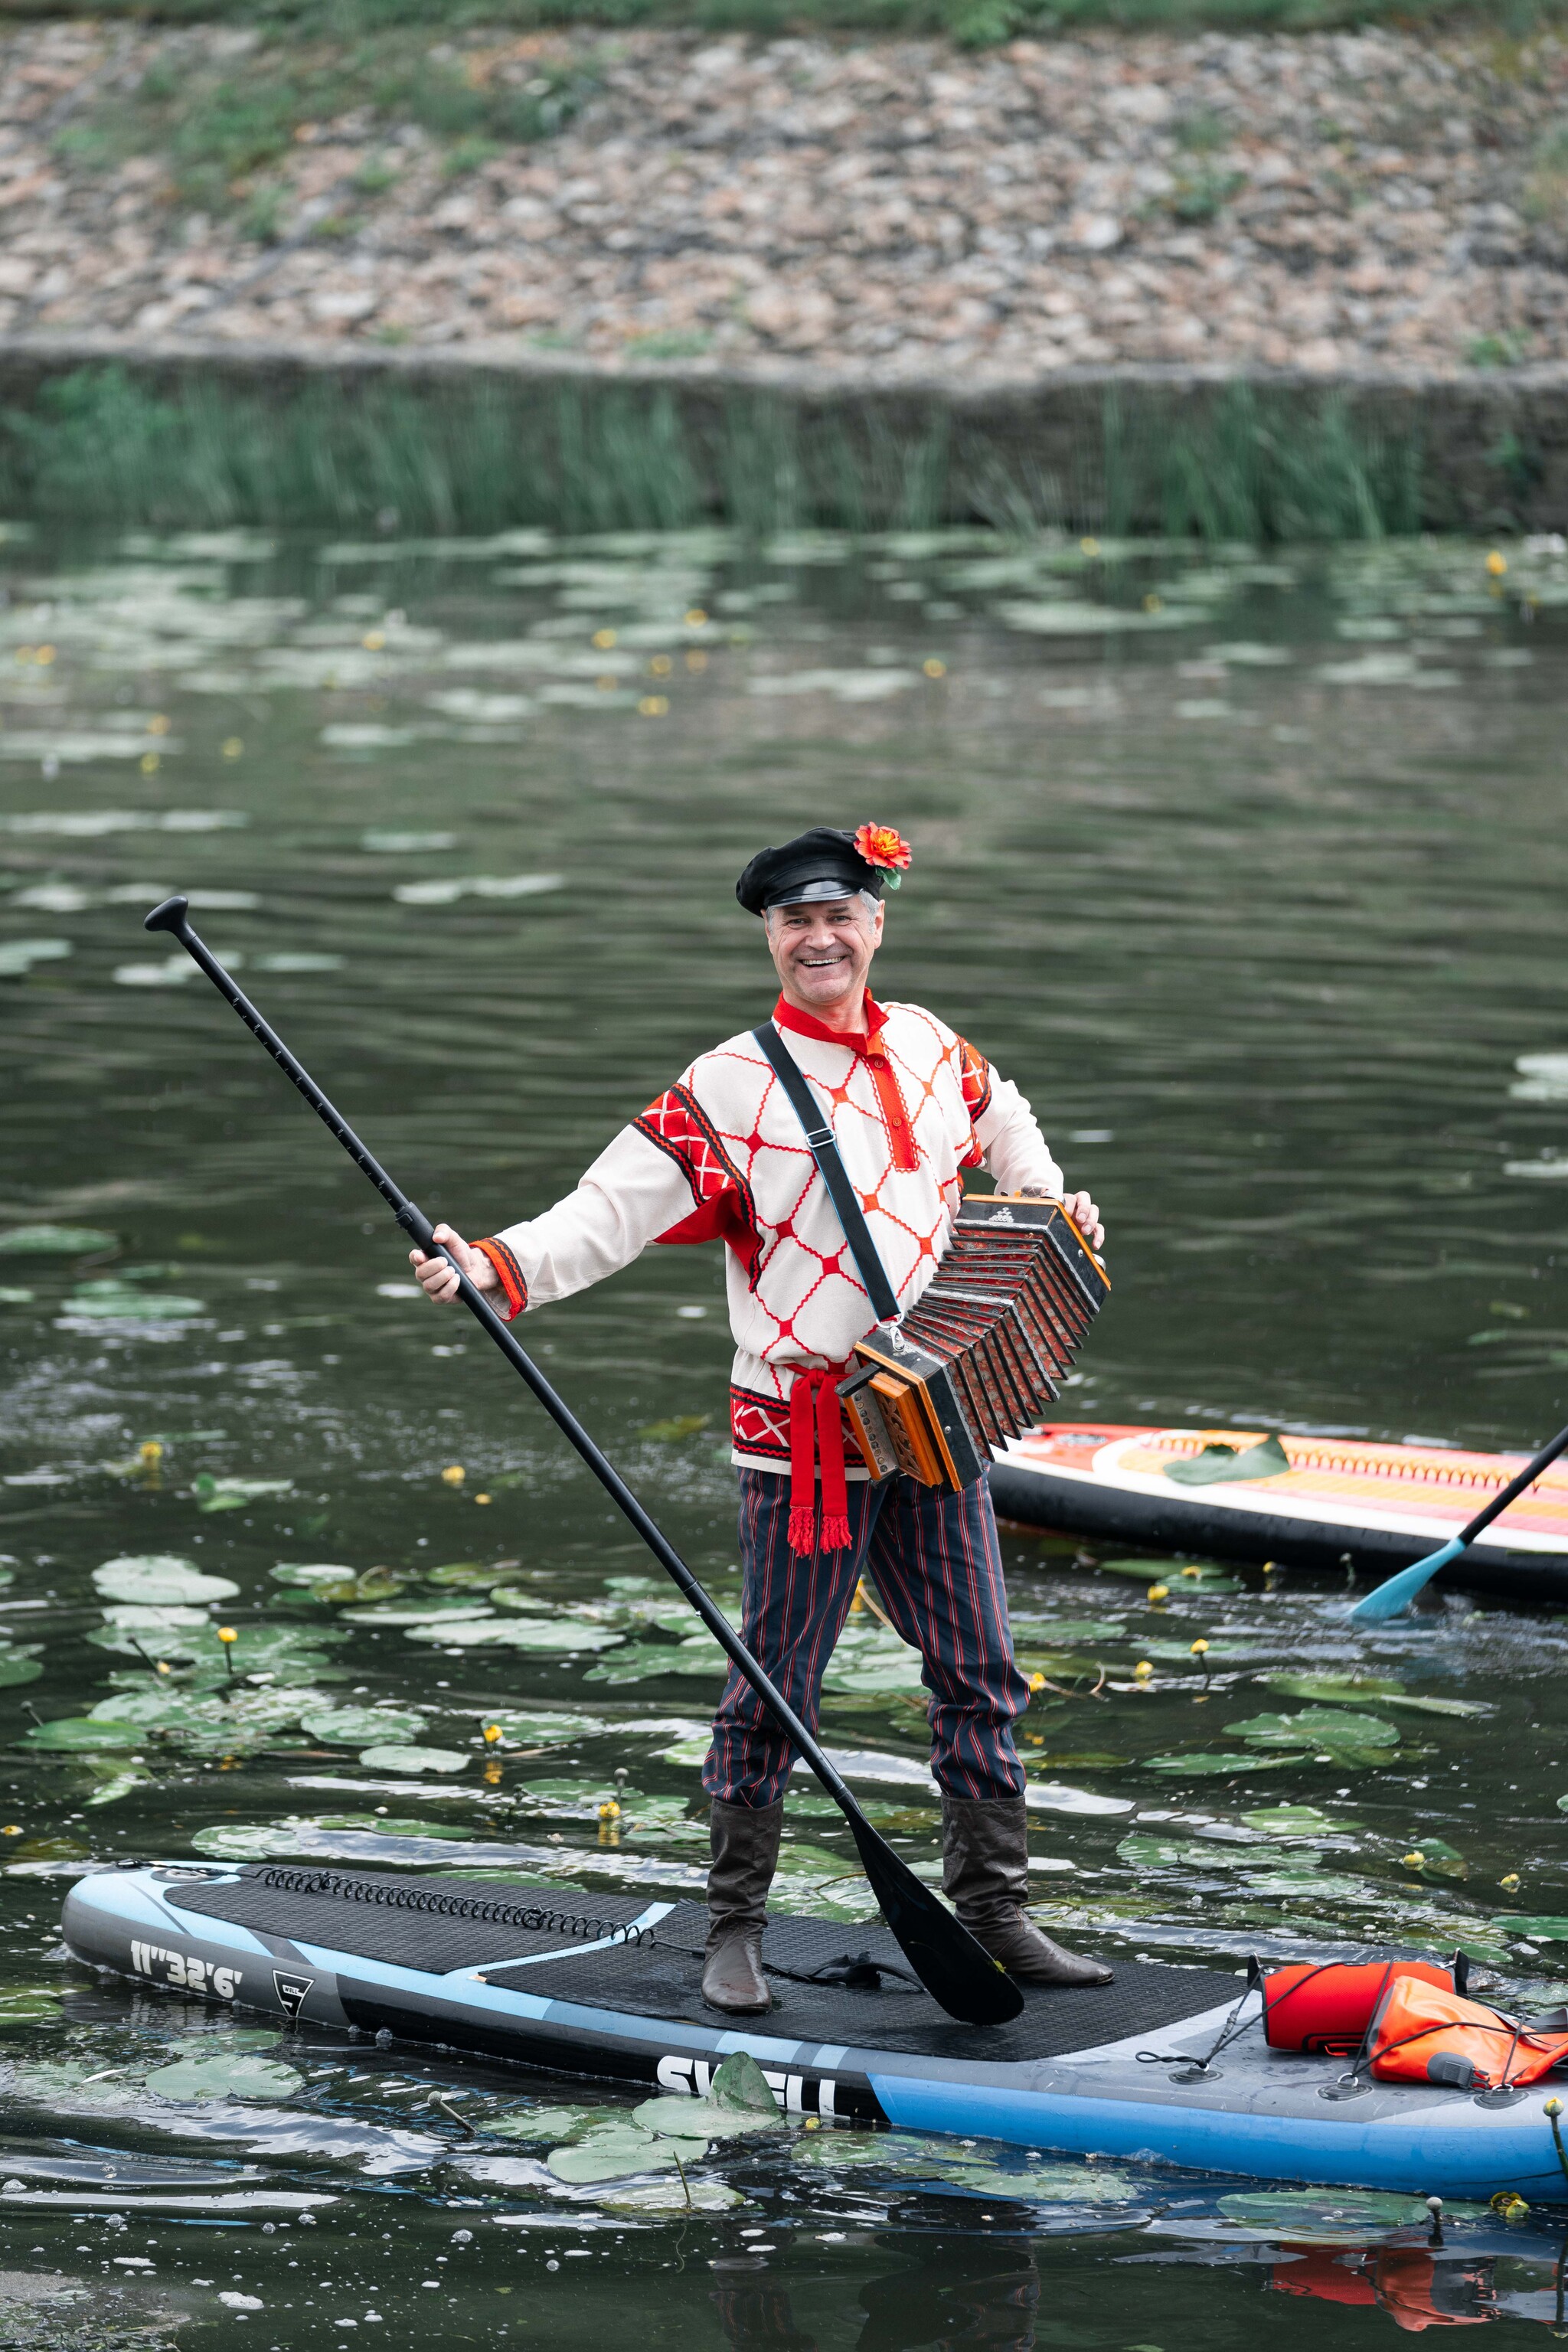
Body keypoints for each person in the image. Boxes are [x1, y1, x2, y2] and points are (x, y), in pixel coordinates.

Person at [410, 823, 1112, 2013]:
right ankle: (734, 1924)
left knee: (982, 1673)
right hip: (805, 1441)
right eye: (795, 922)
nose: (819, 938)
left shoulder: (940, 1048)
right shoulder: (726, 1083)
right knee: (774, 1682)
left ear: (876, 925)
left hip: (932, 1417)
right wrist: (488, 1263)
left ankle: (997, 1913)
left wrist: (1044, 1200)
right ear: (771, 939)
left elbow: (1008, 1121)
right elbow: (607, 1213)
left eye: (840, 915)